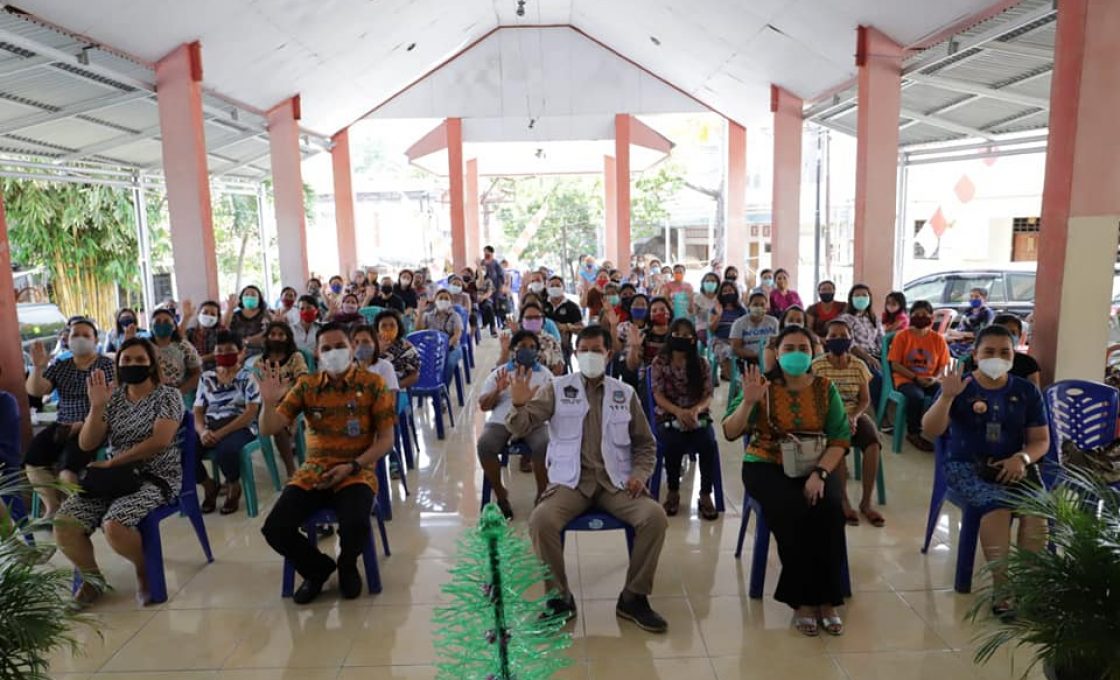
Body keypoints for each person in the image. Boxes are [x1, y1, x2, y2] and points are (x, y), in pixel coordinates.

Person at [508, 326, 669, 633]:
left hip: (615, 483)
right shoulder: (557, 388)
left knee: (655, 517)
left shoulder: (625, 393)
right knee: (541, 521)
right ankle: (559, 599)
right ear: (575, 353)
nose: (590, 356)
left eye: (597, 350)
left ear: (609, 355)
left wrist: (639, 474)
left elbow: (646, 444)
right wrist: (519, 404)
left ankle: (633, 597)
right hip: (571, 483)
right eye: (584, 350)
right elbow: (520, 427)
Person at [722, 326, 851, 637]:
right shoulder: (761, 385)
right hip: (765, 463)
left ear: (813, 352)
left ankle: (828, 599)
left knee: (830, 508)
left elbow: (839, 438)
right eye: (789, 347)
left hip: (814, 464)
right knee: (793, 508)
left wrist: (820, 474)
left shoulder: (824, 387)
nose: (797, 353)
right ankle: (803, 601)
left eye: (803, 348)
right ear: (777, 353)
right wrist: (749, 403)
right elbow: (729, 431)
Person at [258, 322, 397, 604]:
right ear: (318, 355)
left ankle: (347, 565)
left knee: (356, 522)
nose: (334, 353)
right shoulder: (306, 387)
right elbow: (269, 428)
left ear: (352, 348)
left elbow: (386, 440)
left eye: (340, 346)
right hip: (314, 472)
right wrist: (268, 402)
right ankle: (318, 569)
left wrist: (353, 466)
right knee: (275, 527)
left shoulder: (373, 384)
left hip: (356, 471)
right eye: (327, 348)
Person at [921, 325, 1050, 617]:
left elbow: (1041, 441)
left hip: (1015, 464)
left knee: (1036, 512)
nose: (997, 357)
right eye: (989, 351)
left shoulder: (1026, 391)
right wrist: (946, 397)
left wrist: (1022, 459)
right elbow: (930, 431)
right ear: (975, 356)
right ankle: (1003, 590)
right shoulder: (961, 387)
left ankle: (1029, 587)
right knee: (997, 508)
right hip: (967, 466)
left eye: (1005, 352)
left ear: (1014, 357)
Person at [54, 337, 185, 605]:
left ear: (151, 364)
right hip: (114, 479)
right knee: (65, 524)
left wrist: (114, 461)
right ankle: (93, 581)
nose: (133, 364)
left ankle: (143, 569)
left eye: (139, 360)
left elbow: (160, 440)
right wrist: (97, 407)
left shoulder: (168, 396)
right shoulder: (113, 399)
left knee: (114, 526)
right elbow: (87, 443)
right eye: (126, 360)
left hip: (156, 477)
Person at [24, 319, 116, 517]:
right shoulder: (61, 365)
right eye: (75, 335)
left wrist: (82, 424)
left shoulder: (105, 365)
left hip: (92, 425)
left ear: (95, 339)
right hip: (63, 424)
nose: (80, 339)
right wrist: (38, 367)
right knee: (32, 459)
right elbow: (36, 391)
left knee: (68, 467)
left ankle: (73, 515)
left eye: (85, 335)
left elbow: (112, 403)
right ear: (67, 339)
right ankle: (52, 507)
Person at [811, 320, 884, 527]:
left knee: (872, 443)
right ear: (826, 340)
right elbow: (816, 399)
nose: (838, 340)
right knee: (839, 445)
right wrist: (839, 419)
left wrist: (854, 416)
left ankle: (866, 502)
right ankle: (844, 501)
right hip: (829, 417)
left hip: (855, 414)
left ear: (851, 339)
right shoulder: (817, 366)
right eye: (833, 336)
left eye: (843, 335)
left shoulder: (858, 365)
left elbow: (864, 400)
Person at [477, 330, 552, 518]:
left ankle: (542, 493)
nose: (528, 350)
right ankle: (501, 494)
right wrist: (498, 390)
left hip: (534, 421)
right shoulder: (501, 372)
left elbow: (554, 406)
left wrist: (532, 401)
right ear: (514, 350)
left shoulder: (545, 375)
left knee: (544, 445)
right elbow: (484, 406)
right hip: (501, 421)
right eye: (523, 347)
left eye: (532, 347)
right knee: (485, 445)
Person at [650, 319, 719, 520]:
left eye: (686, 335)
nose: (681, 339)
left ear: (693, 339)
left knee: (708, 443)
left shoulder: (701, 363)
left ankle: (705, 494)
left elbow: (708, 395)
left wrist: (695, 410)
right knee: (673, 443)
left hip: (697, 414)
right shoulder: (659, 362)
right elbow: (658, 395)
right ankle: (673, 491)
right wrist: (678, 412)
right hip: (669, 414)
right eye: (677, 334)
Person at [192, 332, 260, 515]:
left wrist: (221, 433)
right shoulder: (207, 377)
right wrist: (202, 431)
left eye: (229, 350)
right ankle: (209, 485)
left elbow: (251, 412)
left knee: (226, 450)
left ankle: (233, 485)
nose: (223, 354)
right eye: (219, 350)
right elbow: (198, 410)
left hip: (241, 426)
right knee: (184, 450)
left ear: (240, 352)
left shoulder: (248, 377)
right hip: (211, 424)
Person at [888, 300, 950, 452]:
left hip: (930, 379)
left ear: (931, 317)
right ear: (910, 317)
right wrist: (916, 378)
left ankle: (938, 430)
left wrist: (935, 378)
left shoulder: (938, 339)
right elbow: (895, 364)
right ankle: (914, 432)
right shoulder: (902, 336)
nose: (921, 318)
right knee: (916, 396)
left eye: (925, 315)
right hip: (906, 379)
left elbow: (944, 365)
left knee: (945, 393)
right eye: (916, 315)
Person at [257, 321, 310, 477]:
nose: (277, 338)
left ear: (288, 338)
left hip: (291, 399)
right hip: (266, 402)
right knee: (269, 414)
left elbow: (303, 380)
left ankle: (290, 471)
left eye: (281, 334)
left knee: (278, 423)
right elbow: (256, 385)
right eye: (273, 334)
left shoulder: (295, 357)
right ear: (266, 337)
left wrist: (284, 392)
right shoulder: (260, 361)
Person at [960, 314, 1040, 387]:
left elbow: (1035, 391)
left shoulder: (1028, 363)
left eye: (1012, 332)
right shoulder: (970, 361)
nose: (1006, 336)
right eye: (989, 352)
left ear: (1020, 336)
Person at [149, 308, 202, 398]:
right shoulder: (144, 347)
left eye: (166, 321)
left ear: (174, 326)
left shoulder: (184, 346)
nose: (162, 324)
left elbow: (197, 374)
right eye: (157, 321)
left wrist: (179, 392)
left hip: (179, 395)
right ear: (151, 326)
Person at [418, 288, 464, 388]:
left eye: (446, 299)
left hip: (452, 348)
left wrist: (444, 347)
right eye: (441, 298)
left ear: (451, 302)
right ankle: (427, 387)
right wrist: (420, 313)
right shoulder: (427, 316)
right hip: (431, 349)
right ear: (435, 300)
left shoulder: (455, 316)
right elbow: (419, 331)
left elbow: (457, 335)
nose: (443, 300)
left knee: (449, 364)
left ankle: (443, 390)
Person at [503, 302, 565, 376]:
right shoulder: (513, 339)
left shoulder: (551, 341)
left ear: (542, 320)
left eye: (537, 317)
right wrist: (504, 352)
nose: (533, 320)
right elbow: (502, 367)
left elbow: (558, 369)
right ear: (522, 320)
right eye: (529, 318)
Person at [622, 297, 671, 385]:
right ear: (650, 315)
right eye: (654, 311)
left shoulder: (675, 335)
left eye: (662, 309)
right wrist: (634, 348)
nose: (659, 313)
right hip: (648, 382)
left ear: (669, 313)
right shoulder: (643, 335)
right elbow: (632, 366)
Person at [709, 281, 747, 380]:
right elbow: (712, 330)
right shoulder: (716, 309)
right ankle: (734, 380)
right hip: (720, 340)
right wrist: (719, 315)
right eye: (724, 291)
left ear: (735, 292)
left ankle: (735, 376)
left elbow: (746, 328)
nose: (727, 293)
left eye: (730, 290)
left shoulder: (741, 310)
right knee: (727, 351)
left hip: (737, 341)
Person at [730, 292, 779, 368]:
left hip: (770, 356)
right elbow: (735, 348)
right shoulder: (739, 323)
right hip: (748, 358)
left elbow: (778, 342)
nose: (759, 307)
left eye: (762, 305)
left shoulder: (773, 322)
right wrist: (756, 354)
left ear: (766, 307)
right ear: (749, 306)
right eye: (755, 305)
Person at [376, 310, 421, 390]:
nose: (388, 328)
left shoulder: (407, 348)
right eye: (383, 326)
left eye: (392, 325)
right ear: (377, 329)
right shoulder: (371, 345)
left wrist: (394, 387)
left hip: (397, 390)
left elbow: (414, 375)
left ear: (398, 328)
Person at [544, 275, 583, 361]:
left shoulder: (572, 307)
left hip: (563, 346)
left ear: (563, 287)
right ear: (547, 288)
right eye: (552, 286)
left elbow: (581, 329)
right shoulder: (542, 305)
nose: (555, 288)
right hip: (543, 344)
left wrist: (566, 327)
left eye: (558, 285)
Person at [947, 287, 995, 357]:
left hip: (972, 344)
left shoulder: (987, 313)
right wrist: (951, 333)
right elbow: (960, 327)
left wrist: (960, 334)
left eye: (976, 296)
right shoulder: (968, 311)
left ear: (984, 298)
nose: (973, 299)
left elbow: (982, 334)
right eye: (971, 296)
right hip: (959, 339)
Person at [351, 325, 399, 392]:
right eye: (356, 342)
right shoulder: (348, 369)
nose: (360, 345)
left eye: (366, 341)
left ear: (375, 344)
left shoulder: (385, 367)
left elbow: (392, 396)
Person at [225, 285, 269, 356]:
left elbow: (267, 333)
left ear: (259, 299)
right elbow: (225, 327)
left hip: (260, 352)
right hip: (237, 352)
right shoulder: (235, 315)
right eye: (246, 294)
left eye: (253, 295)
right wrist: (230, 309)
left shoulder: (266, 314)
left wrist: (247, 341)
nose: (249, 297)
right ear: (241, 299)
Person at [181, 300, 225, 371]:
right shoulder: (190, 332)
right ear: (198, 314)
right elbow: (180, 341)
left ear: (217, 318)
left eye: (213, 314)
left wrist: (199, 359)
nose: (208, 316)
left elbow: (221, 352)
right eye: (205, 312)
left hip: (215, 371)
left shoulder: (221, 332)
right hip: (193, 372)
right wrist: (186, 317)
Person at [693, 272, 721, 343]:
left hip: (718, 326)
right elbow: (694, 313)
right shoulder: (697, 298)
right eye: (707, 281)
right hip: (702, 327)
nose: (710, 283)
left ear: (717, 284)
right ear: (703, 283)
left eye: (713, 281)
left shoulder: (720, 298)